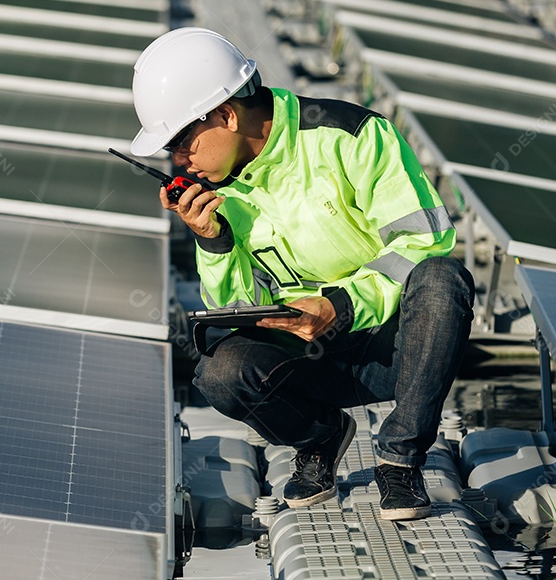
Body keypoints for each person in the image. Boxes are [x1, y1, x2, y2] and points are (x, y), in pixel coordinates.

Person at [128, 27, 474, 521]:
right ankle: (320, 437)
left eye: (182, 142)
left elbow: (424, 243)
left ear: (226, 114)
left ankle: (400, 458)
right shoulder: (218, 191)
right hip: (311, 359)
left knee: (443, 280)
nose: (178, 161)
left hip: (394, 345)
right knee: (220, 372)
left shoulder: (352, 137)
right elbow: (236, 310)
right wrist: (214, 240)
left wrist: (342, 305)